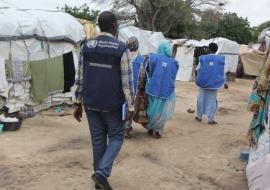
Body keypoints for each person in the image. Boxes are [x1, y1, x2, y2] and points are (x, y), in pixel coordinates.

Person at [73, 11, 135, 190]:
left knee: (98, 141)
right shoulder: (121, 48)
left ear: (100, 25)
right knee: (116, 137)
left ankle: (99, 179)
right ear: (114, 26)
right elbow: (127, 81)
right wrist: (131, 105)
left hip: (90, 103)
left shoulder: (87, 46)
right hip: (113, 105)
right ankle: (101, 173)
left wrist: (77, 102)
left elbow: (81, 76)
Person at [144, 41, 179, 138]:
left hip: (153, 88)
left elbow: (147, 70)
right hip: (167, 90)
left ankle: (151, 128)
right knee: (162, 111)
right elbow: (173, 76)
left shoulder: (153, 58)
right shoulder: (174, 62)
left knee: (151, 108)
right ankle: (158, 131)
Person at [195, 43, 225, 125]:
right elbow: (222, 72)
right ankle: (210, 119)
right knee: (212, 101)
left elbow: (197, 68)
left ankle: (199, 117)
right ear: (216, 50)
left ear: (209, 49)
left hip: (203, 83)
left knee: (201, 99)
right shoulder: (220, 59)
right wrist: (224, 82)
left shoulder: (203, 58)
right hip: (215, 84)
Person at [125, 36, 145, 138]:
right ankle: (126, 128)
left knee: (124, 107)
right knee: (132, 108)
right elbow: (142, 76)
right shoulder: (142, 59)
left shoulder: (124, 56)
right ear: (137, 46)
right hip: (135, 89)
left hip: (124, 88)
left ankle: (125, 126)